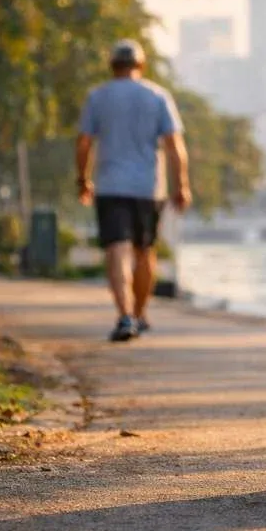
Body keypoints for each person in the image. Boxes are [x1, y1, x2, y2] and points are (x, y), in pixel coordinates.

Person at [75, 39, 192, 342]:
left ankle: (125, 315)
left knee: (117, 247)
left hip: (110, 186)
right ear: (141, 65)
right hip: (148, 189)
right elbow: (175, 146)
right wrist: (182, 186)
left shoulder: (97, 97)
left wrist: (82, 179)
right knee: (144, 252)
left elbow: (84, 142)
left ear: (113, 65)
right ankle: (139, 315)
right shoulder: (157, 96)